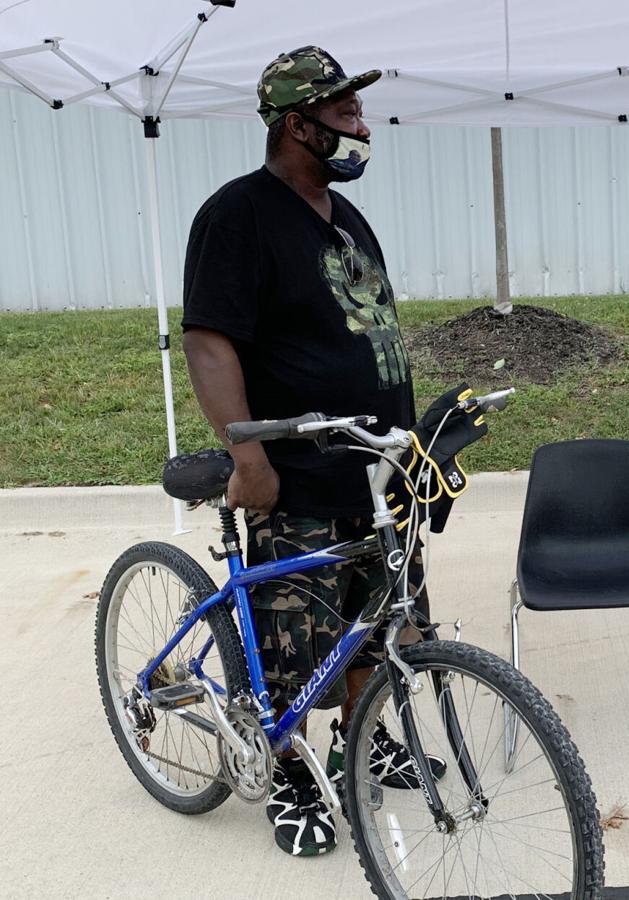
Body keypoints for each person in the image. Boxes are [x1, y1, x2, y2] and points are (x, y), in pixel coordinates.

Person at [181, 46, 444, 857]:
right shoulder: (238, 216)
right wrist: (246, 455)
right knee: (294, 651)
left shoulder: (345, 213)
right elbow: (210, 341)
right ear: (298, 124)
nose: (362, 126)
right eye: (345, 114)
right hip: (295, 477)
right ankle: (290, 771)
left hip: (375, 472)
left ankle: (361, 740)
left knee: (379, 625)